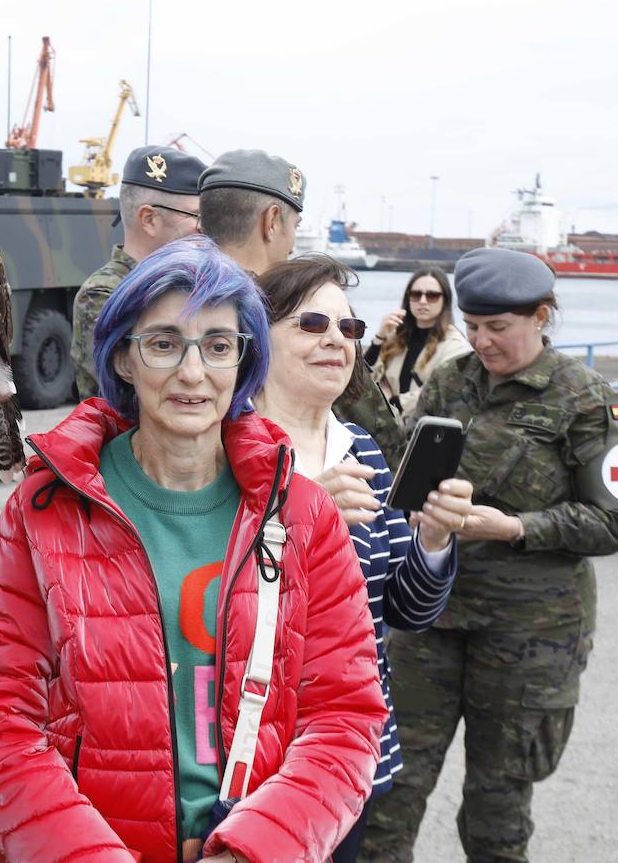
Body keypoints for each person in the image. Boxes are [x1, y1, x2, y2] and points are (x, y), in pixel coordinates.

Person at [0, 236, 387, 863]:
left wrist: (254, 851)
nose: (192, 372)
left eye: (218, 346)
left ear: (244, 362)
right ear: (124, 359)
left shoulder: (303, 515)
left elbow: (345, 719)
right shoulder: (46, 509)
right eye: (163, 343)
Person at [361, 248, 618, 863]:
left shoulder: (586, 397)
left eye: (499, 328)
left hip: (530, 634)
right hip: (430, 617)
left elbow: (616, 521)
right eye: (477, 326)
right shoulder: (449, 380)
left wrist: (514, 526)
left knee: (496, 809)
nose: (483, 341)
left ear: (541, 317)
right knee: (388, 796)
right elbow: (410, 469)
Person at [250, 255, 474, 862]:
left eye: (349, 329)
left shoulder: (364, 450)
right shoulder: (226, 449)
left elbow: (402, 610)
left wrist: (433, 539)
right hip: (249, 751)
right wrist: (298, 515)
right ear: (257, 336)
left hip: (350, 752)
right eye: (311, 325)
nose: (336, 341)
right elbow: (198, 596)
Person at [198, 149, 407, 470]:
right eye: (294, 225)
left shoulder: (163, 306)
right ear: (270, 222)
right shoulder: (280, 309)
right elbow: (381, 436)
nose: (293, 241)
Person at [71, 144, 204, 398]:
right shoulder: (104, 294)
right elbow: (124, 397)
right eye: (196, 215)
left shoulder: (185, 285)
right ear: (149, 219)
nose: (203, 227)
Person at [366, 267, 471, 416]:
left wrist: (394, 404)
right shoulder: (395, 335)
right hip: (387, 425)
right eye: (416, 294)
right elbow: (365, 377)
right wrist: (380, 337)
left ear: (445, 300)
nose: (423, 301)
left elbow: (442, 389)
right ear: (408, 298)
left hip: (422, 426)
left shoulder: (455, 344)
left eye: (432, 295)